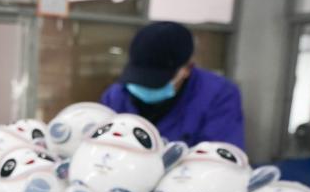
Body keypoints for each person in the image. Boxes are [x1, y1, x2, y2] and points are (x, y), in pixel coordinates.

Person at [100, 21, 244, 149]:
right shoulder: (116, 95)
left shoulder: (219, 95)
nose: (145, 86)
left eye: (155, 80)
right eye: (140, 77)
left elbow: (221, 158)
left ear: (187, 69)